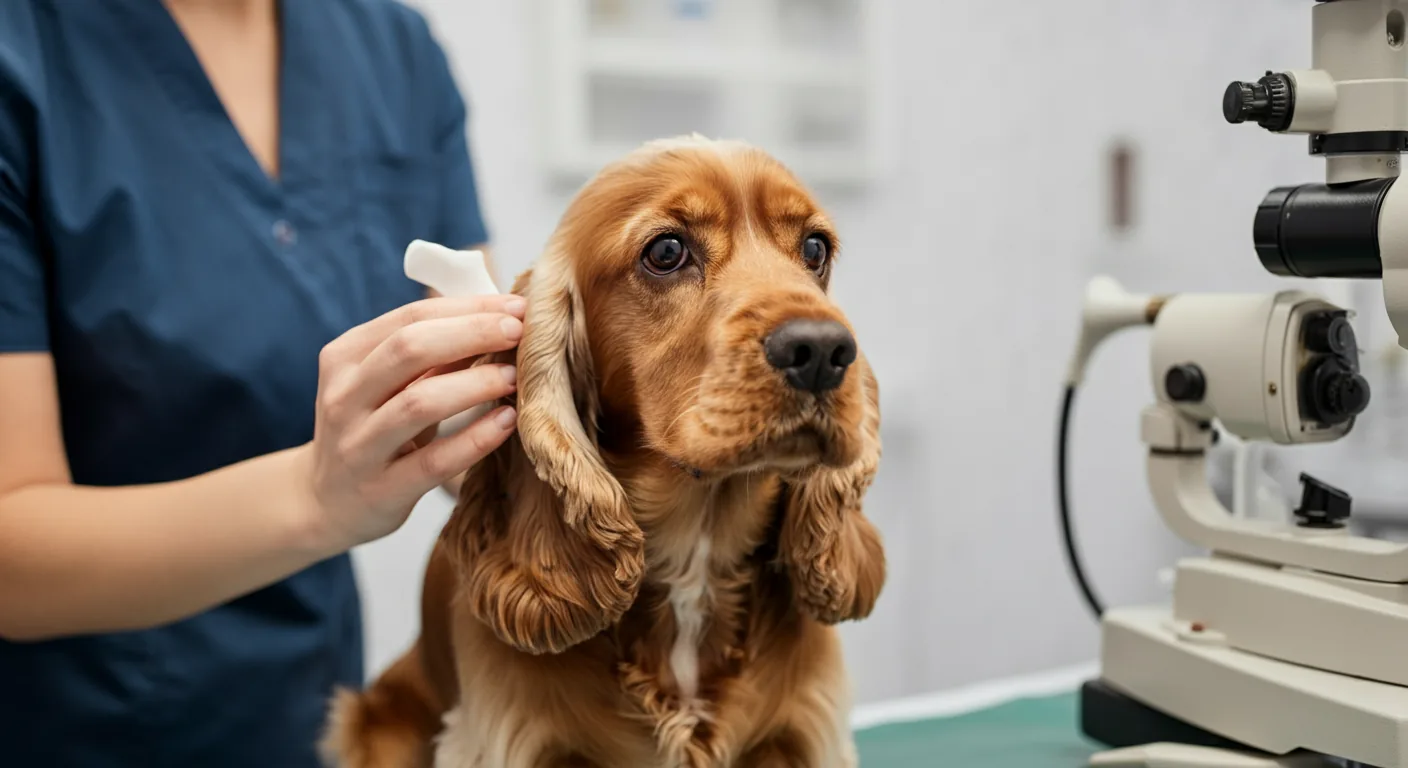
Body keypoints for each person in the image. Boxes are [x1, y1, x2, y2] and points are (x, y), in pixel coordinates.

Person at [0, 1, 522, 765]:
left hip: (314, 720)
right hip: (86, 729)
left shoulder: (392, 51)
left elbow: (475, 398)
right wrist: (316, 497)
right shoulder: (26, 51)